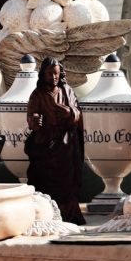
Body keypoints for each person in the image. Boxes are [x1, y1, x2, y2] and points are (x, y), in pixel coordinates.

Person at [26, 57, 86, 224]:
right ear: (43, 74)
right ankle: (45, 211)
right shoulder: (37, 94)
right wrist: (34, 120)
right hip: (45, 142)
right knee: (44, 176)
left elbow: (77, 112)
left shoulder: (67, 90)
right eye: (50, 73)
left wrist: (70, 113)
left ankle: (68, 212)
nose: (54, 77)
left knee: (67, 179)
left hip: (66, 143)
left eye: (56, 74)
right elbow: (31, 116)